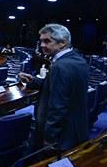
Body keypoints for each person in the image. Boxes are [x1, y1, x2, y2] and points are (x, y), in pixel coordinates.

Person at [19, 23, 89, 153]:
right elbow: (64, 88)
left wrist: (50, 137)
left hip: (62, 135)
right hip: (77, 128)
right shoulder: (79, 61)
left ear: (62, 43)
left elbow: (58, 105)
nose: (42, 45)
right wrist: (34, 81)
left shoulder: (59, 67)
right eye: (41, 41)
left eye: (47, 41)